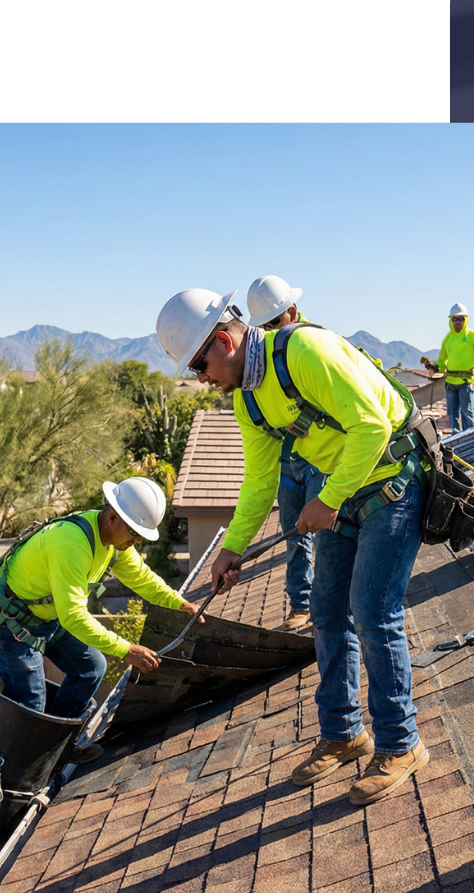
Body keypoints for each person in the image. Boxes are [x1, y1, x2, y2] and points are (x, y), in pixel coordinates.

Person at [156, 288, 432, 805]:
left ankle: (402, 744)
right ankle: (345, 733)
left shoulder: (306, 352)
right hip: (346, 492)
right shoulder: (249, 398)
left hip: (394, 481)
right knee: (327, 613)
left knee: (372, 611)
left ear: (223, 339)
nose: (202, 380)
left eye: (200, 365)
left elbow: (372, 424)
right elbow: (259, 482)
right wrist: (231, 549)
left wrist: (326, 499)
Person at [0, 477, 202, 755]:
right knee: (32, 703)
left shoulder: (114, 543)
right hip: (10, 622)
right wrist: (125, 649)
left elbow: (142, 578)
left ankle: (56, 749)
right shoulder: (72, 544)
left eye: (141, 535)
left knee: (91, 668)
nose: (137, 540)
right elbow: (73, 616)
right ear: (112, 517)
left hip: (47, 618)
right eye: (134, 532)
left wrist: (179, 604)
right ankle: (20, 771)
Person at [246, 275, 325, 634]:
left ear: (292, 313)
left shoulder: (313, 348)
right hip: (287, 465)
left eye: (274, 323)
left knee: (329, 537)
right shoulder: (260, 364)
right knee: (296, 538)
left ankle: (329, 604)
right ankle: (301, 605)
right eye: (262, 328)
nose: (269, 333)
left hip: (321, 464)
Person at [434, 303, 474, 433]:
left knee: (467, 415)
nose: (458, 322)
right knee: (452, 416)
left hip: (466, 384)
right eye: (455, 319)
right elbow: (442, 359)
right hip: (451, 384)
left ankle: (471, 440)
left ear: (466, 320)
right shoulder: (448, 339)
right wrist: (435, 366)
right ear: (450, 320)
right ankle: (456, 442)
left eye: (461, 319)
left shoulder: (473, 337)